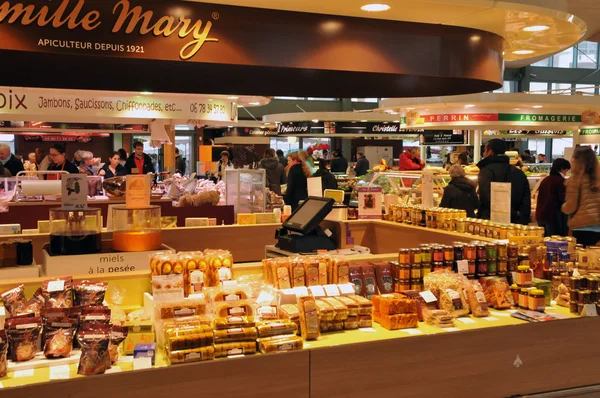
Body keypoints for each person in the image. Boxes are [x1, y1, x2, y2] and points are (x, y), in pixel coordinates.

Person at [477, 138, 531, 224]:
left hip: (491, 221)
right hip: (516, 221)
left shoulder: (486, 171)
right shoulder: (519, 173)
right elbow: (526, 199)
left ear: (490, 152)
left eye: (484, 151)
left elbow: (486, 196)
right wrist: (520, 216)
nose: (483, 154)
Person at [562, 147, 600, 247]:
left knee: (581, 259)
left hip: (581, 228)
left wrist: (563, 207)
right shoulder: (597, 179)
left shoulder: (575, 179)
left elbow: (571, 206)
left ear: (576, 160)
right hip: (598, 228)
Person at [536, 158, 571, 237]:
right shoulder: (560, 181)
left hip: (541, 215)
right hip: (553, 217)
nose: (566, 173)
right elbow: (562, 199)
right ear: (562, 169)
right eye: (566, 170)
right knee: (554, 242)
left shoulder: (545, 180)